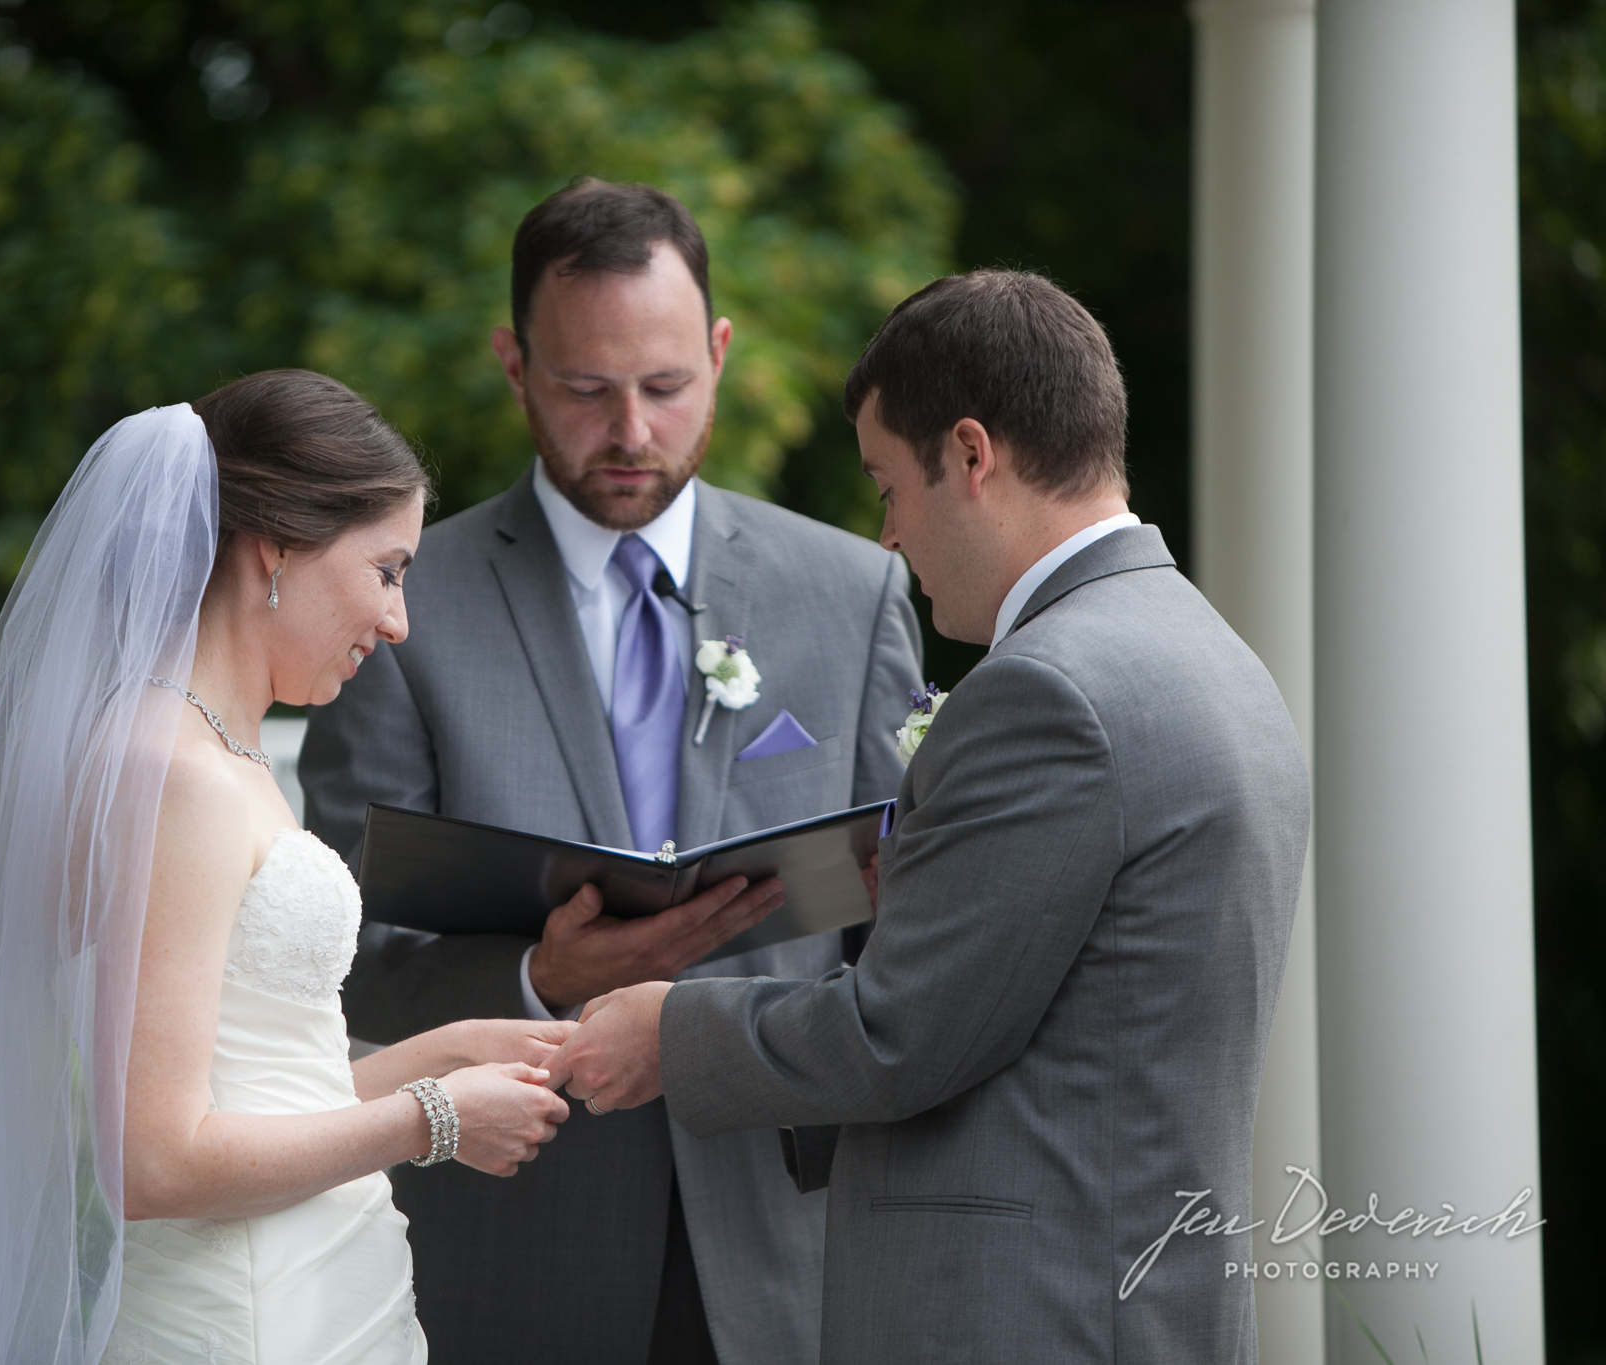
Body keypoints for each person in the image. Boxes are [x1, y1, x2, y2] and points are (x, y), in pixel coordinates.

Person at [549, 270, 1312, 1363]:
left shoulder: (1046, 690)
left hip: (1023, 1315)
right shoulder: (1208, 653)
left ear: (967, 454)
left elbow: (896, 1034)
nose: (889, 536)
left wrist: (667, 1032)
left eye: (885, 485)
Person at [300, 180, 925, 1365]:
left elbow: (906, 940)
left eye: (664, 387)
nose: (630, 431)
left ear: (721, 354)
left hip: (788, 1235)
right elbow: (340, 965)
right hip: (509, 1245)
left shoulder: (851, 594)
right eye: (587, 390)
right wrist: (538, 975)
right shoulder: (401, 605)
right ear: (514, 363)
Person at [0, 371, 573, 1365]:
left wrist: (439, 1050)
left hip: (309, 1286)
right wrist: (433, 1120)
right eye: (386, 570)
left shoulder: (220, 755)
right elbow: (153, 1160)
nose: (397, 621)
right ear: (276, 546)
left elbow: (258, 1088)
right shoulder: (172, 773)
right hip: (249, 1319)